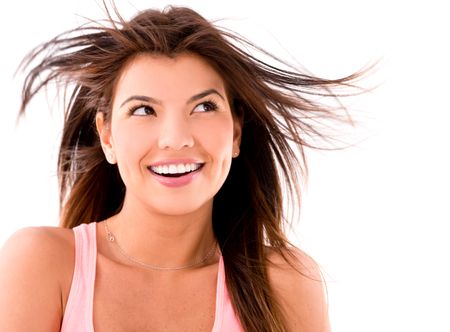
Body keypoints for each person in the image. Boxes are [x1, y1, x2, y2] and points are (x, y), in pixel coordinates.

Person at [0, 4, 366, 332]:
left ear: (236, 133)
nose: (176, 138)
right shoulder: (43, 264)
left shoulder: (283, 284)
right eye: (143, 110)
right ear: (107, 136)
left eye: (204, 107)